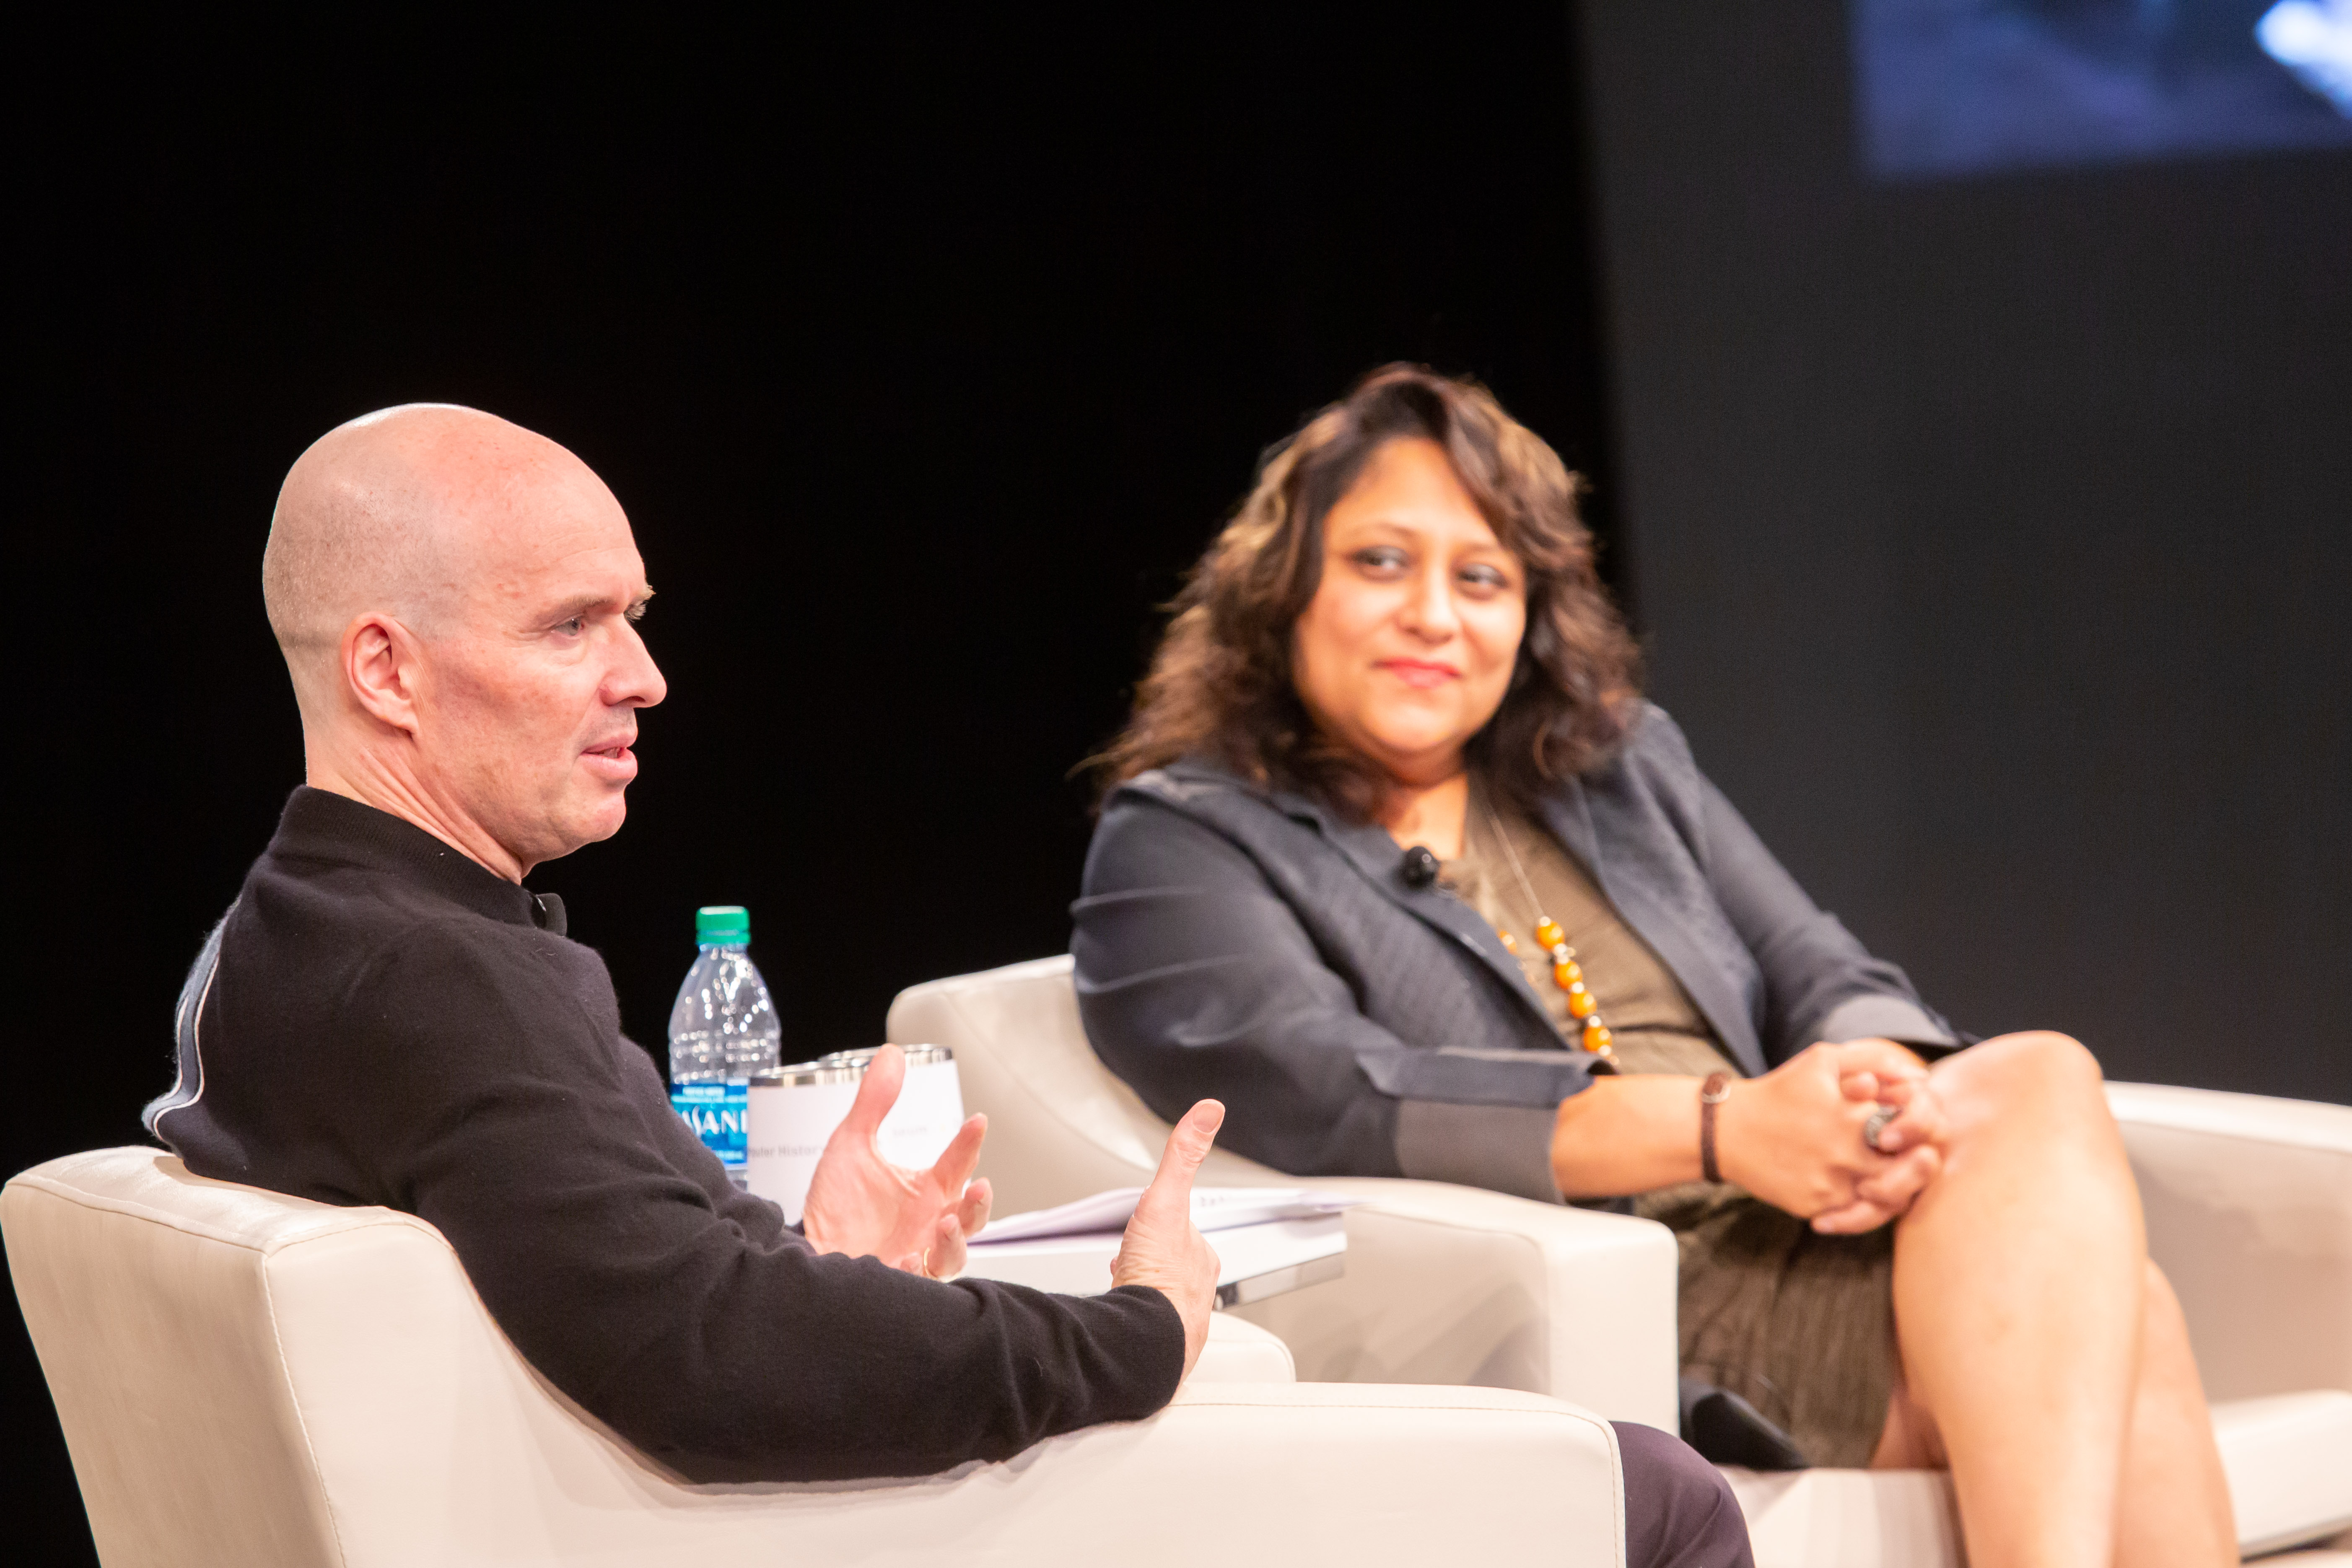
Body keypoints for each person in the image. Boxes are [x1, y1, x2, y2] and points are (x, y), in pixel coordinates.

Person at [143, 400, 1756, 1568]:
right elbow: (712, 1366)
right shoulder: (426, 979)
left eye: (634, 618)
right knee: (1658, 1499)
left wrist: (811, 1258)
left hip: (746, 1499)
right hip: (810, 1527)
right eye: (573, 627)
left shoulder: (299, 937)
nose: (644, 677)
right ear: (386, 668)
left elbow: (643, 1296)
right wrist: (1142, 1327)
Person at [1074, 365, 2237, 1568]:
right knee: (2084, 1203)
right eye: (1381, 562)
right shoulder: (1184, 836)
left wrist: (1878, 1085)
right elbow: (1338, 1090)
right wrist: (1724, 1128)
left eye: (1481, 578)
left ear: (1530, 611)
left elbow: (1815, 964)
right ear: (1284, 590)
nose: (1433, 615)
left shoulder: (1613, 767)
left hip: (1810, 1221)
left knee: (2047, 1140)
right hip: (1625, 1292)